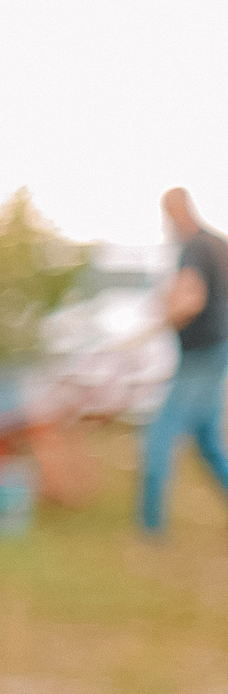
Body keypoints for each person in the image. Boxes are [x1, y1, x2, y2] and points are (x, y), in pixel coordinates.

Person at [140, 186, 228, 537]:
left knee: (160, 433)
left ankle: (150, 529)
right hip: (218, 349)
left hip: (199, 354)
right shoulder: (220, 245)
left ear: (177, 212)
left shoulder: (193, 248)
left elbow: (189, 300)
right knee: (206, 438)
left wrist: (162, 320)